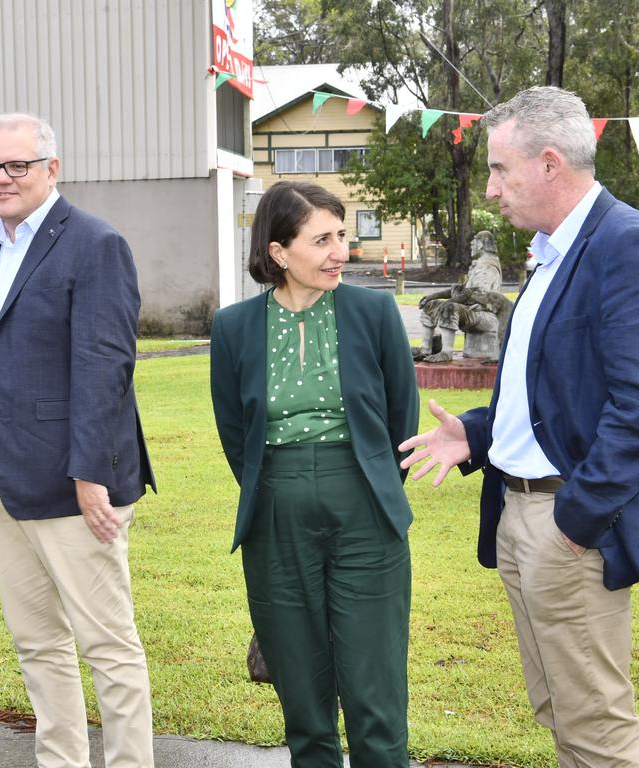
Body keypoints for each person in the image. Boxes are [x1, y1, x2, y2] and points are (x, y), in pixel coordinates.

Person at [400, 86, 639, 767]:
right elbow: (546, 389)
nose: (490, 188)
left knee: (596, 728)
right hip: (520, 515)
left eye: (499, 169)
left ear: (550, 163)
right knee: (559, 709)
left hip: (567, 524)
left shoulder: (626, 244)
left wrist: (577, 521)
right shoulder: (554, 249)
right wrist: (476, 433)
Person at [0, 113, 156, 768]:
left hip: (73, 482)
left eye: (17, 166)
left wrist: (91, 470)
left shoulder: (94, 244)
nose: (1, 179)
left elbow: (105, 366)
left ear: (51, 169)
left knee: (108, 644)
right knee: (37, 643)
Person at [209, 180, 419, 768]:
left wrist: (368, 484)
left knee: (375, 696)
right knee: (302, 698)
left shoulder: (374, 312)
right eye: (321, 239)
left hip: (366, 513)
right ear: (278, 252)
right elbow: (235, 433)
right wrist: (279, 487)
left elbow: (399, 419)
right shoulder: (232, 328)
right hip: (275, 516)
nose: (339, 252)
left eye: (342, 236)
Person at [414, 230, 511, 362]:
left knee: (450, 308)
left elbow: (476, 295)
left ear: (481, 244)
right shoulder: (479, 265)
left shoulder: (488, 266)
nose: (471, 245)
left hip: (486, 316)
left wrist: (449, 302)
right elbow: (463, 290)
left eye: (474, 242)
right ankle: (425, 349)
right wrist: (432, 296)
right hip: (474, 312)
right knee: (430, 305)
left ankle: (446, 352)